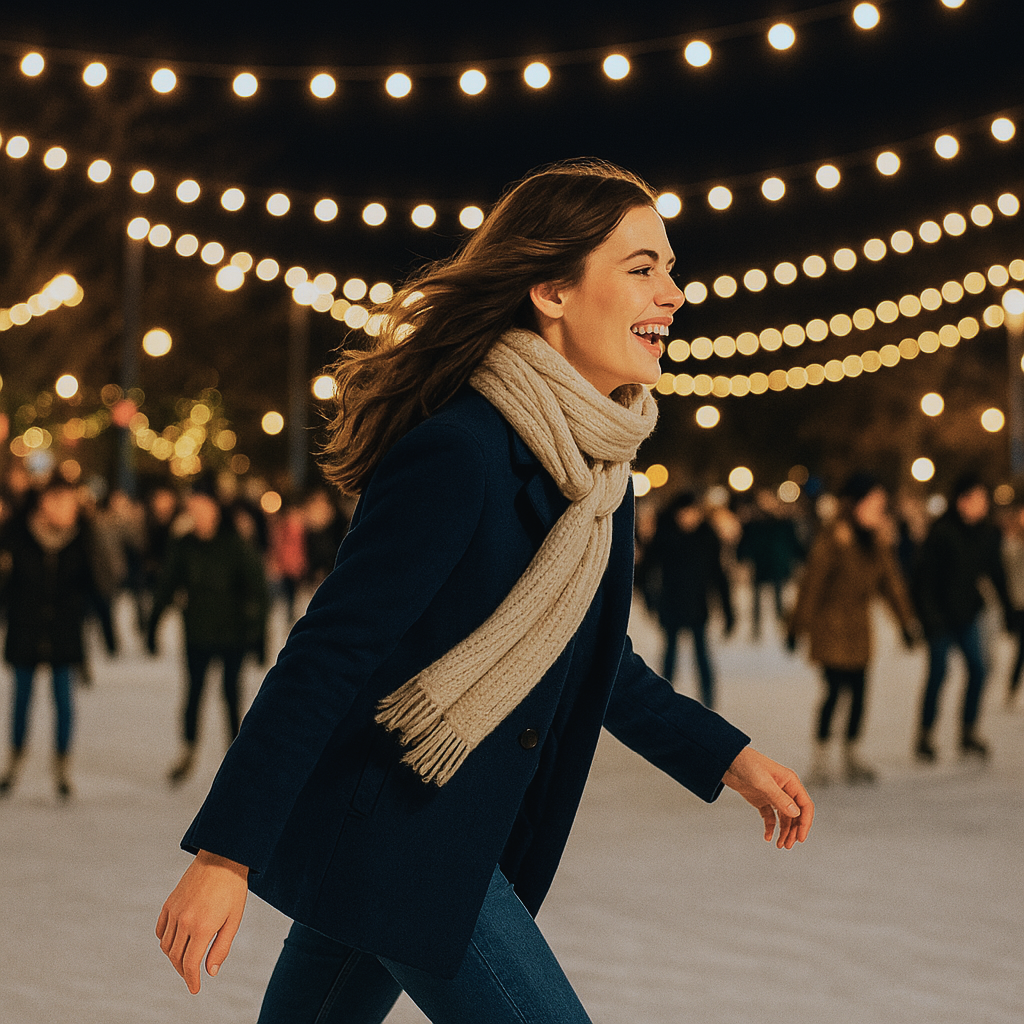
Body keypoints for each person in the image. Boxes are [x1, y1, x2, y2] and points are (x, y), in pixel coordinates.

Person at [156, 160, 814, 1023]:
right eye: (643, 268)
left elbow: (589, 655)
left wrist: (723, 754)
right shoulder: (462, 450)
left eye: (672, 268)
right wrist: (224, 854)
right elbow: (330, 652)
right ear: (552, 288)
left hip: (439, 833)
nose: (674, 294)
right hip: (409, 835)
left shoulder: (600, 474)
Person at [787, 474, 917, 785]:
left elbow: (891, 585)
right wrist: (796, 626)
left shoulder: (875, 541)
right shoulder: (834, 538)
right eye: (874, 504)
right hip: (831, 628)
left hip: (859, 630)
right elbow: (811, 585)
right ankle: (821, 757)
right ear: (857, 504)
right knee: (834, 692)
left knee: (859, 693)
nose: (879, 510)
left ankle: (851, 753)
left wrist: (906, 623)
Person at [147, 477, 269, 785]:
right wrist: (153, 625)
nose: (197, 511)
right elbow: (167, 585)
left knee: (231, 695)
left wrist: (258, 636)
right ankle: (187, 751)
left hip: (232, 634)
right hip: (198, 632)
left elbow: (259, 591)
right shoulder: (184, 544)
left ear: (215, 508)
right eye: (192, 506)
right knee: (194, 694)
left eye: (203, 505)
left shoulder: (235, 544)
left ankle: (235, 759)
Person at [0, 479, 106, 799]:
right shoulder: (17, 535)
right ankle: (14, 761)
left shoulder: (81, 539)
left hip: (64, 633)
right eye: (60, 502)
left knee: (63, 702)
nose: (67, 510)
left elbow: (94, 587)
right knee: (21, 700)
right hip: (25, 630)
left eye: (71, 504)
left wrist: (109, 630)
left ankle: (62, 767)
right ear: (44, 503)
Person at [911, 473, 1012, 761]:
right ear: (961, 500)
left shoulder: (987, 534)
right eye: (977, 498)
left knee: (979, 670)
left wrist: (1009, 608)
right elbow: (924, 579)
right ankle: (925, 734)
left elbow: (996, 572)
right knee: (938, 674)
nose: (983, 504)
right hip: (940, 617)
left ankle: (968, 730)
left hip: (968, 614)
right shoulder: (942, 532)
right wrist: (928, 617)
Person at [641, 490, 734, 708]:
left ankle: (709, 699)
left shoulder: (708, 537)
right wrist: (650, 599)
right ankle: (664, 700)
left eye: (694, 513)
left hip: (698, 605)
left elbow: (719, 576)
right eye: (685, 513)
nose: (689, 518)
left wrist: (728, 611)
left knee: (702, 654)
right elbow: (647, 570)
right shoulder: (665, 535)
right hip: (671, 603)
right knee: (670, 655)